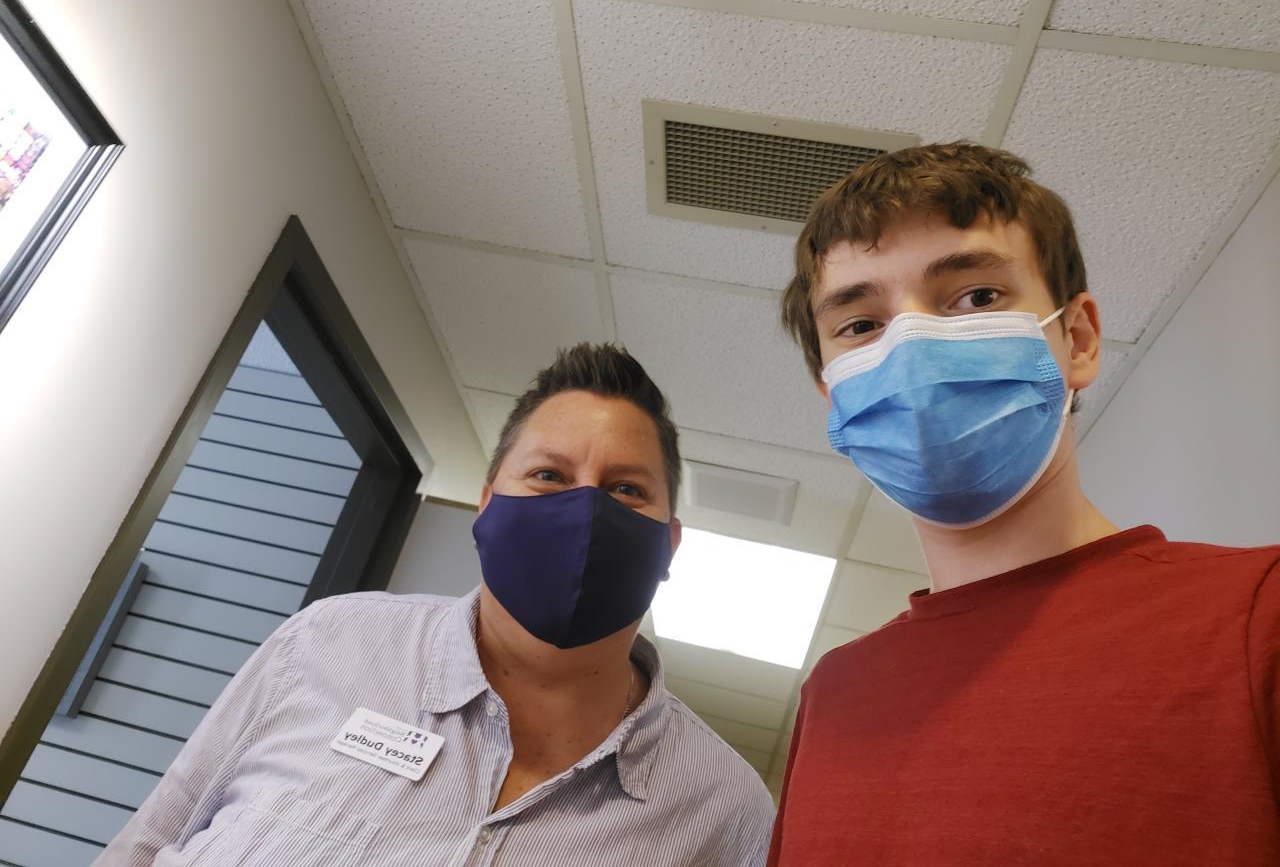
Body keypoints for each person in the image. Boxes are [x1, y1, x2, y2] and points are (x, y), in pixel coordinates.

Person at [768, 142, 1280, 866]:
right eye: (860, 325)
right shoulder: (833, 694)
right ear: (833, 397)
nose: (914, 347)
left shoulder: (1258, 617)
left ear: (1078, 340)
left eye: (976, 297)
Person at [96, 343, 774, 866]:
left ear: (669, 545)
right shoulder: (328, 642)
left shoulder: (727, 811)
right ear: (487, 504)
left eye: (626, 490)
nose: (585, 512)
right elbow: (145, 846)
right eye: (548, 475)